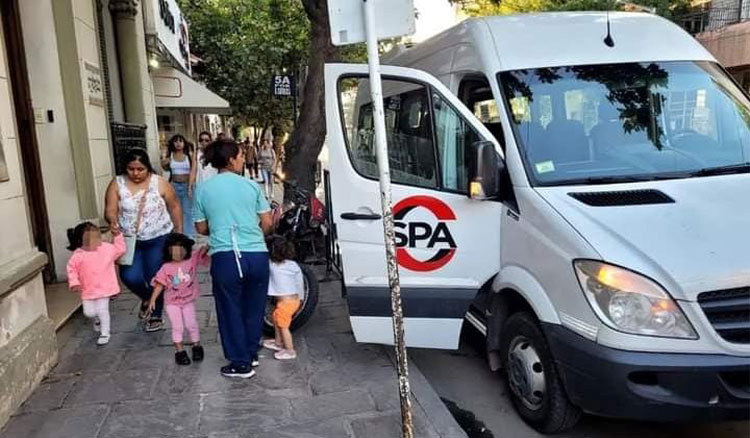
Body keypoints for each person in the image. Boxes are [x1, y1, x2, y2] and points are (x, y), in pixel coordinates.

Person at [194, 139, 273, 378]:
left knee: (230, 309)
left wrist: (218, 228)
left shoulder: (204, 189)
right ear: (230, 159)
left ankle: (240, 363)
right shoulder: (251, 186)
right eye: (239, 156)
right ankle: (250, 352)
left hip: (226, 256)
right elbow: (267, 222)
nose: (242, 159)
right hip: (257, 255)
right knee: (254, 307)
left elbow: (200, 227)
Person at [105, 148, 182, 332]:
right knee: (129, 276)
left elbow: (175, 205)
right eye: (131, 169)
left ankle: (156, 314)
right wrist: (112, 220)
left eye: (140, 169)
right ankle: (148, 298)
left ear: (147, 167)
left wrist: (178, 232)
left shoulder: (159, 183)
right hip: (130, 240)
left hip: (158, 237)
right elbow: (110, 208)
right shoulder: (117, 183)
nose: (136, 173)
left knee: (156, 276)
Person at [149, 233, 209, 365]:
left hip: (188, 300)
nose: (177, 254)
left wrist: (209, 244)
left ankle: (196, 345)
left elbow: (203, 252)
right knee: (178, 327)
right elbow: (160, 283)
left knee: (191, 323)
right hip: (172, 303)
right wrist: (152, 299)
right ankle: (179, 351)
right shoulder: (166, 267)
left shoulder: (191, 259)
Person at [66, 222, 127, 345]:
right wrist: (74, 282)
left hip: (104, 288)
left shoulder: (106, 248)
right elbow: (71, 269)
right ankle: (96, 319)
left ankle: (105, 333)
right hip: (87, 289)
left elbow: (120, 249)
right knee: (89, 312)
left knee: (103, 310)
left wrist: (118, 235)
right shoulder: (78, 255)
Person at [262, 237, 303, 360]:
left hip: (286, 302)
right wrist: (301, 298)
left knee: (283, 325)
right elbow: (299, 281)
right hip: (293, 300)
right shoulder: (293, 265)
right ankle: (278, 343)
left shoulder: (272, 266)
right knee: (276, 319)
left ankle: (290, 350)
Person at [161, 134, 195, 237]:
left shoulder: (189, 155)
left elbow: (193, 171)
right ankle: (176, 233)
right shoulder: (170, 156)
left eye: (180, 141)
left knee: (187, 211)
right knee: (174, 210)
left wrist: (190, 186)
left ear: (184, 143)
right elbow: (165, 169)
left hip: (186, 185)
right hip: (174, 185)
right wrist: (164, 161)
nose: (178, 144)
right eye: (176, 141)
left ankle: (189, 235)